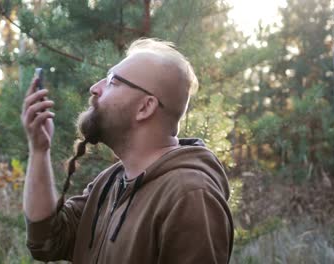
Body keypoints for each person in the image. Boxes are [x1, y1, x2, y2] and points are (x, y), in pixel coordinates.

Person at [21, 38, 234, 263]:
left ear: (145, 107)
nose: (95, 88)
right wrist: (39, 150)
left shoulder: (189, 195)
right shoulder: (111, 183)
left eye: (113, 81)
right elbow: (47, 242)